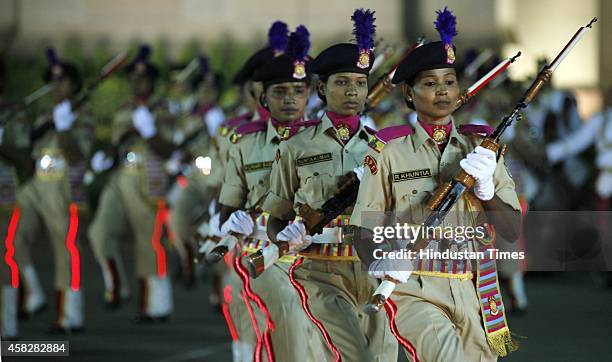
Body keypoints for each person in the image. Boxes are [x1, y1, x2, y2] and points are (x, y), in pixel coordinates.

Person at [350, 7, 521, 361]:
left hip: (475, 287)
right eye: (430, 83)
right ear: (409, 95)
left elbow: (511, 230)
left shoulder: (482, 146)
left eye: (449, 82)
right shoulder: (388, 149)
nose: (442, 91)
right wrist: (381, 263)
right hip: (414, 288)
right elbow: (362, 228)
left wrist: (486, 189)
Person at [263, 9, 398, 362]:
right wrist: (286, 237)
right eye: (341, 82)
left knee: (382, 356)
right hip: (320, 271)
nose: (352, 91)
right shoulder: (295, 146)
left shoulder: (387, 149)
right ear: (321, 88)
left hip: (373, 269)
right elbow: (275, 217)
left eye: (359, 83)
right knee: (356, 356)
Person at [88, 45, 177, 321]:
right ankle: (117, 286)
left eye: (143, 79)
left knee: (148, 241)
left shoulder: (162, 110)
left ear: (152, 82)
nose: (137, 83)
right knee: (99, 233)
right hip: (120, 176)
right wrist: (106, 156)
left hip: (148, 176)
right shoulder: (123, 109)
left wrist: (148, 129)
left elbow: (167, 148)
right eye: (133, 79)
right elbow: (116, 144)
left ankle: (156, 303)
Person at [13, 48, 94, 333]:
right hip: (37, 184)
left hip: (65, 186)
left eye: (62, 81)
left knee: (65, 250)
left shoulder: (81, 116)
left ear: (74, 86)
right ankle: (32, 292)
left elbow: (77, 155)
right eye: (52, 81)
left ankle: (70, 314)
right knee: (11, 235)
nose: (55, 87)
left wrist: (63, 128)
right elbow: (26, 156)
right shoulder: (44, 116)